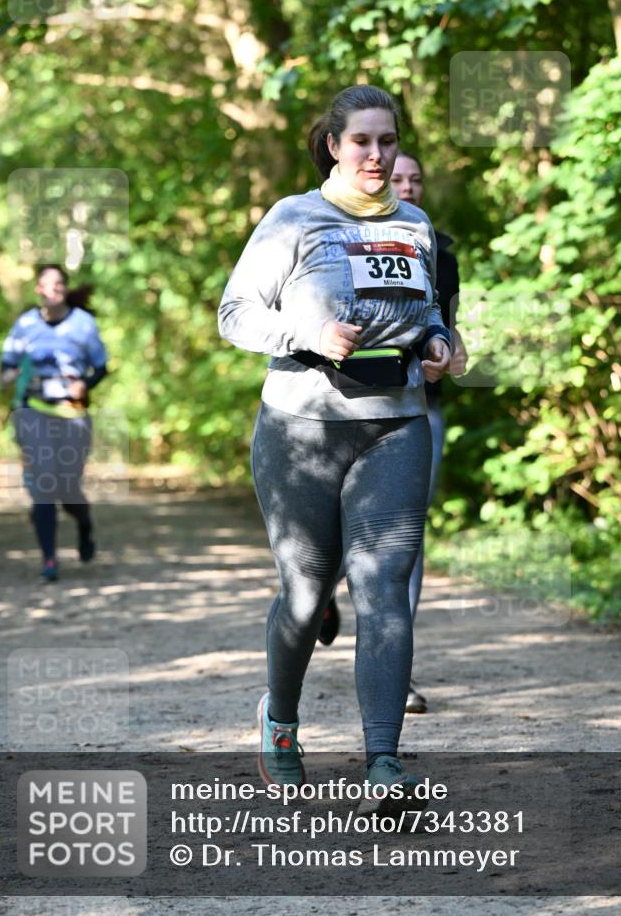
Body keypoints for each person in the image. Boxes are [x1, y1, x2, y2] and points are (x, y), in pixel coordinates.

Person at [218, 84, 451, 808]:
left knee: (385, 589)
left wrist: (441, 343)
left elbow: (430, 317)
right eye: (361, 142)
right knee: (306, 591)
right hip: (301, 430)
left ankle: (383, 761)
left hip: (396, 426)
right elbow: (235, 313)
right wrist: (308, 335)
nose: (376, 155)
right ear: (332, 144)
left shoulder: (414, 225)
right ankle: (279, 723)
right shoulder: (293, 218)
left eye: (386, 141)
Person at [318, 152, 468, 718]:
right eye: (397, 177)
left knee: (405, 536)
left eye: (415, 179)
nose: (407, 186)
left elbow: (449, 331)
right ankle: (321, 588)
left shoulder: (438, 249)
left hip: (418, 409)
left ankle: (396, 675)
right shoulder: (332, 236)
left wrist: (446, 353)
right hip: (341, 407)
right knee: (339, 532)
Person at [0, 264, 108, 581]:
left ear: (65, 287)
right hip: (33, 411)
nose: (54, 289)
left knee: (68, 487)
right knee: (44, 484)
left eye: (59, 283)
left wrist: (85, 385)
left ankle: (84, 524)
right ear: (38, 290)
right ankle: (49, 560)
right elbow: (5, 370)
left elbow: (101, 366)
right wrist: (15, 376)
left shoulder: (84, 324)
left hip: (72, 414)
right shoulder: (24, 325)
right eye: (48, 284)